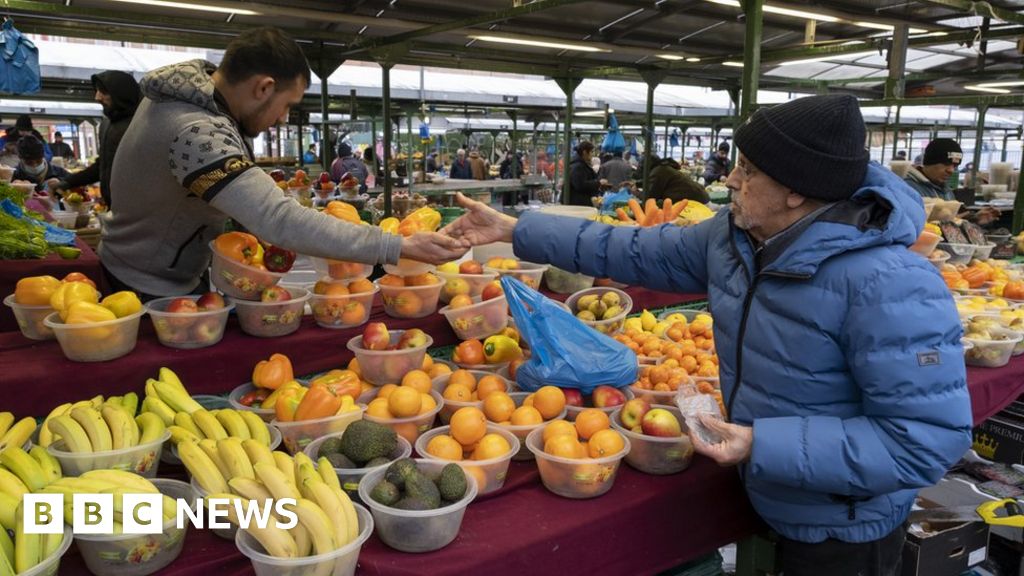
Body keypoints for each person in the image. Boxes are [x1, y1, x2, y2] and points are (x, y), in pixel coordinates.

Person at [443, 94, 972, 576]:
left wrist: (763, 444)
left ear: (795, 191)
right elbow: (629, 250)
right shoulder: (736, 237)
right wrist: (516, 229)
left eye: (748, 170)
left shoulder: (892, 285)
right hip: (761, 492)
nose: (731, 181)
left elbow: (926, 440)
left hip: (843, 527)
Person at [101, 27, 467, 299]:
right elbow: (277, 218)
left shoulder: (188, 99)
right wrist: (395, 247)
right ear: (263, 87)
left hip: (153, 268)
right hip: (146, 284)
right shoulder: (196, 131)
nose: (282, 119)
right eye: (287, 105)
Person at [53, 71, 142, 209]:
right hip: (114, 207)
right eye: (97, 91)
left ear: (122, 94)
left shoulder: (143, 125)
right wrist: (68, 182)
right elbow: (102, 167)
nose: (97, 97)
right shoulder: (107, 125)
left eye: (104, 92)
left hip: (141, 209)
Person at [567, 141, 604, 206]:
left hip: (579, 202)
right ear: (584, 152)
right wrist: (598, 183)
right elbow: (580, 185)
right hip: (577, 204)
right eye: (591, 152)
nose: (592, 154)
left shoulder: (581, 164)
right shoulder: (577, 166)